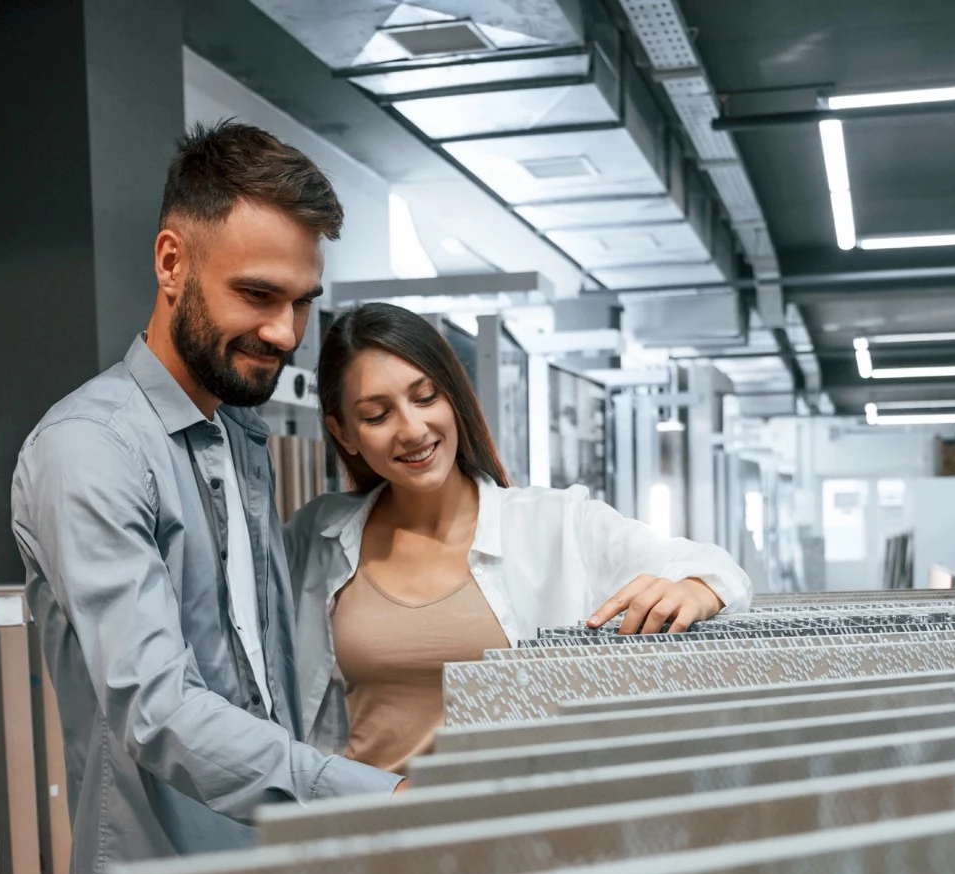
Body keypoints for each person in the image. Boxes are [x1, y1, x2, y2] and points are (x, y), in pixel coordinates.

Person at [11, 122, 401, 874]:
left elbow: (259, 683)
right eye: (257, 295)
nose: (287, 334)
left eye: (301, 303)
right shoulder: (89, 450)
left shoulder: (238, 437)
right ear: (170, 264)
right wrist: (376, 794)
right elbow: (157, 709)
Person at [284, 302, 753, 773]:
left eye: (426, 398)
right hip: (363, 829)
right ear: (344, 434)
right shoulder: (318, 534)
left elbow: (717, 569)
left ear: (454, 397)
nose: (411, 429)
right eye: (376, 415)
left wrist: (694, 588)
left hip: (513, 829)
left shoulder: (555, 522)